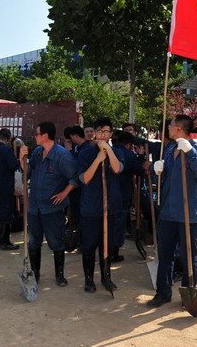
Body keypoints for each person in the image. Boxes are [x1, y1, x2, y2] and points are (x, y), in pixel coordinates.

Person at [146, 114, 197, 308]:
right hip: (168, 211)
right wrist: (157, 171)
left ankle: (188, 293)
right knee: (164, 255)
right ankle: (163, 293)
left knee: (189, 256)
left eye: (171, 125)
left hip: (188, 213)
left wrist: (190, 152)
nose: (168, 128)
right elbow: (164, 179)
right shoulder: (169, 150)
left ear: (179, 128)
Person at [19, 122, 78, 286]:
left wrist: (65, 192)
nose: (35, 136)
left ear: (45, 135)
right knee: (34, 242)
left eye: (37, 133)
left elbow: (75, 177)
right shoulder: (38, 152)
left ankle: (60, 275)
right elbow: (28, 172)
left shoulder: (62, 156)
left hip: (52, 208)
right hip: (34, 207)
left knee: (56, 241)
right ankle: (35, 274)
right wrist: (21, 159)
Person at [78, 118, 124, 293]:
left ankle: (106, 277)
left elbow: (117, 169)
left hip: (110, 208)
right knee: (89, 245)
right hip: (91, 207)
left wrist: (109, 151)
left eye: (106, 132)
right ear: (94, 133)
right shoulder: (85, 153)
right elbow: (85, 179)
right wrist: (97, 160)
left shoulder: (118, 152)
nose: (102, 135)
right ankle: (89, 279)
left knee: (107, 245)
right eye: (99, 131)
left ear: (111, 134)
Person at [111, 130, 144, 261]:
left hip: (105, 195)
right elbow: (139, 170)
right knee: (119, 224)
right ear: (129, 144)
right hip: (122, 194)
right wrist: (140, 156)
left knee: (108, 223)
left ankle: (105, 250)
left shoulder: (107, 151)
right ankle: (114, 252)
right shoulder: (129, 155)